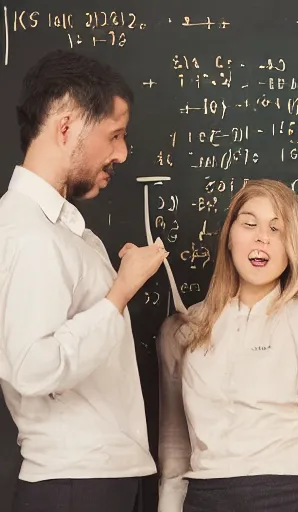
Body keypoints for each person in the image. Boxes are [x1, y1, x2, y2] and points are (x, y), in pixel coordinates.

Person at [0, 49, 168, 512]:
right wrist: (120, 293)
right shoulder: (30, 234)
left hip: (99, 478)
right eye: (115, 135)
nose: (122, 153)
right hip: (76, 484)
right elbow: (32, 367)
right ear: (68, 126)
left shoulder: (61, 228)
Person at [156, 179, 298, 512]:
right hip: (206, 497)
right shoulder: (186, 327)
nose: (262, 237)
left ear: (294, 247)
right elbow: (174, 445)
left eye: (277, 229)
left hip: (290, 496)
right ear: (230, 237)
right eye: (249, 224)